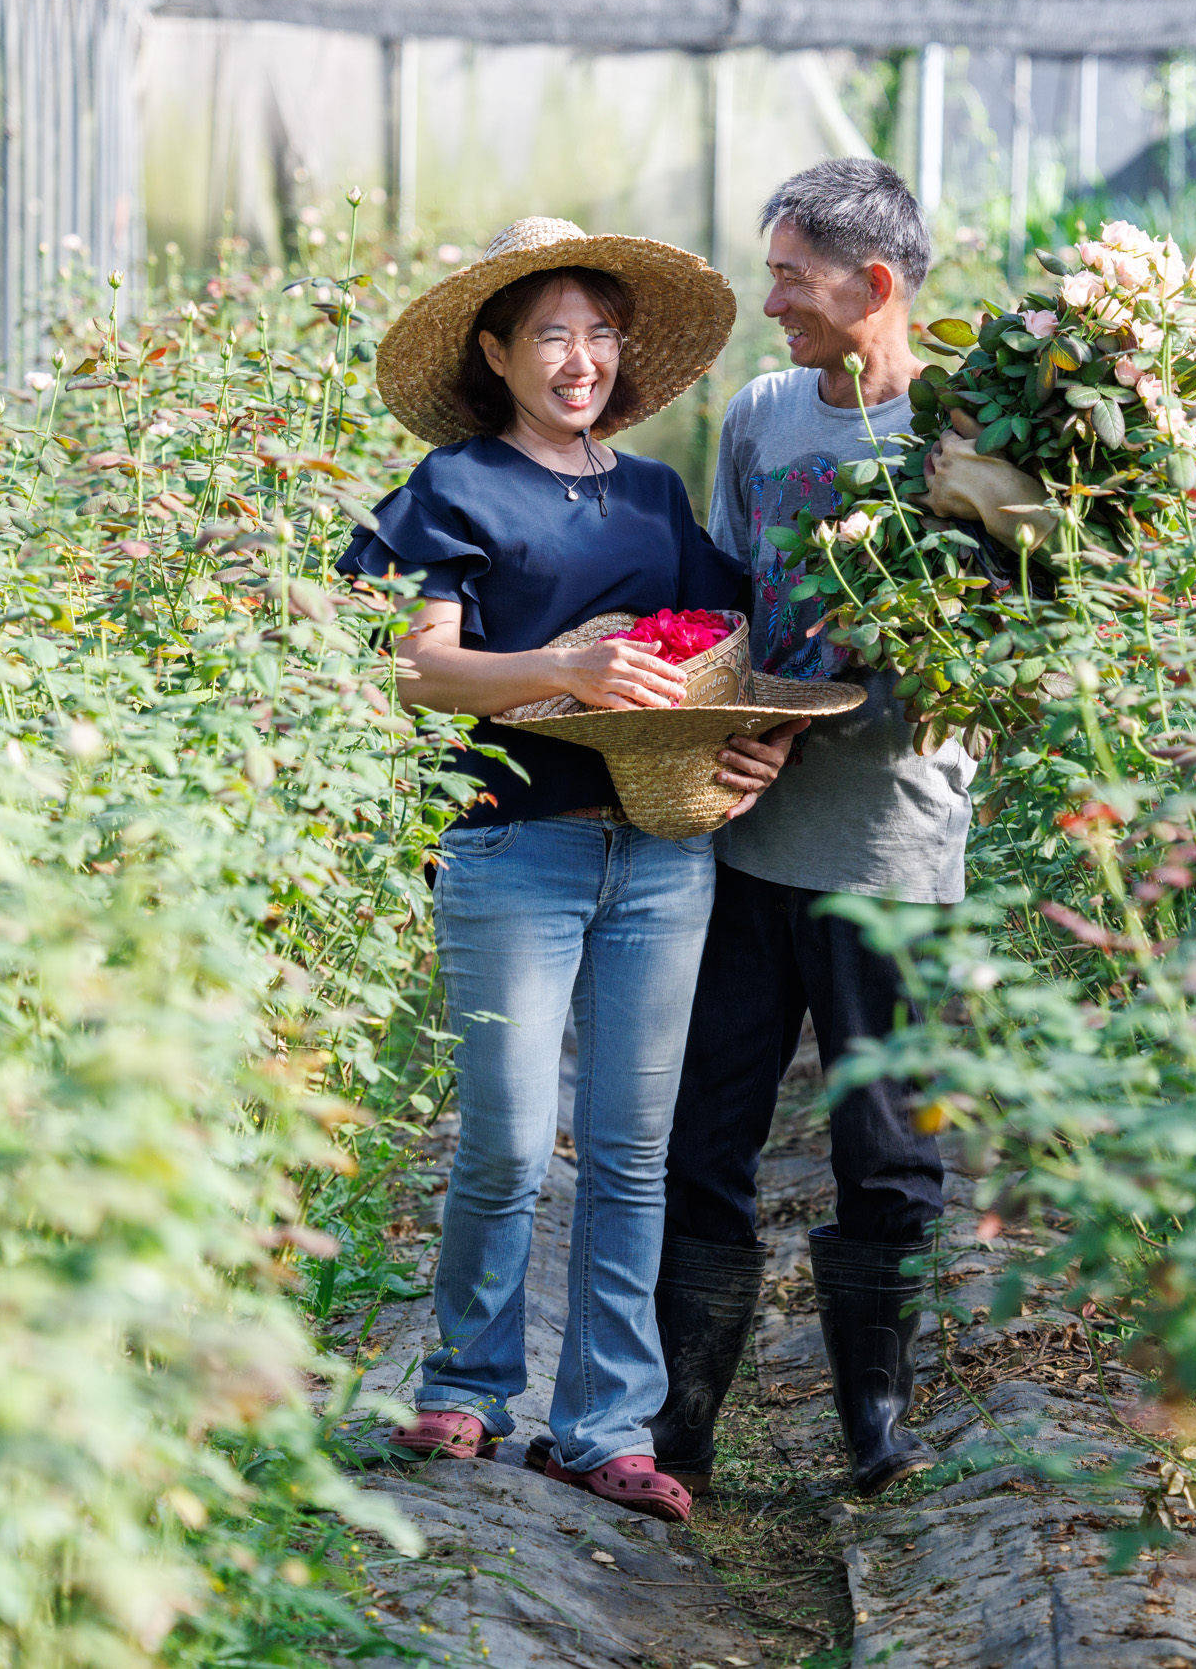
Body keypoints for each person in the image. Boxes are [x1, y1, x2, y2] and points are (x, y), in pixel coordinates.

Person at [338, 218, 782, 1525]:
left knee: (636, 1152)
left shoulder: (651, 498)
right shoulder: (455, 488)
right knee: (510, 1137)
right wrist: (563, 668)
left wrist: (746, 747)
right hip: (509, 848)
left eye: (599, 333)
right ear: (495, 351)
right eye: (551, 335)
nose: (580, 358)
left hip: (656, 856)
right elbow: (414, 669)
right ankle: (468, 1384)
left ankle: (602, 1427)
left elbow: (718, 644)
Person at [646, 158, 977, 1498]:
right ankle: (681, 1428)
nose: (768, 296)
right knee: (705, 1133)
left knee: (888, 1146)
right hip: (743, 845)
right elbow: (733, 596)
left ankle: (876, 1423)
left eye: (790, 272)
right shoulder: (765, 416)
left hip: (891, 851)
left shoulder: (970, 437)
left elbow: (1006, 637)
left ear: (874, 285)